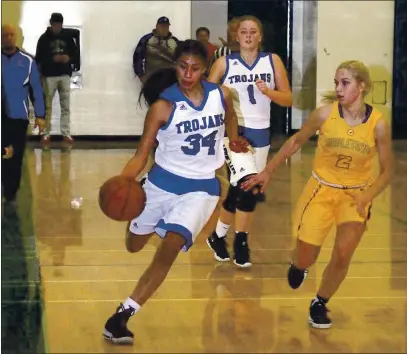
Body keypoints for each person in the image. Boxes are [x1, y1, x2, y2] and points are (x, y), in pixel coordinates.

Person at [102, 39, 248, 345]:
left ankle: (122, 316)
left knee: (169, 249)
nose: (188, 73)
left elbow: (230, 116)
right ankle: (148, 219)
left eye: (195, 68)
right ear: (175, 66)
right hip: (160, 184)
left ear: (205, 69)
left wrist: (233, 139)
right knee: (133, 246)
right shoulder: (163, 106)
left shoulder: (220, 95)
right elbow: (142, 155)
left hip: (202, 188)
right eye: (183, 66)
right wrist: (123, 182)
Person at [241, 60, 393, 328]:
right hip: (321, 191)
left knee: (343, 254)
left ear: (362, 86)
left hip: (355, 197)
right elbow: (295, 141)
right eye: (336, 82)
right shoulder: (325, 114)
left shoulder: (378, 124)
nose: (338, 88)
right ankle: (299, 265)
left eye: (344, 83)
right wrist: (267, 171)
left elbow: (388, 171)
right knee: (306, 255)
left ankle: (320, 302)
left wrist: (367, 196)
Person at [206, 15, 292, 267]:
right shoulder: (223, 63)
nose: (248, 35)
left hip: (261, 133)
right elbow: (207, 100)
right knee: (249, 186)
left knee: (239, 188)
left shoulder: (272, 60)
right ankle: (241, 241)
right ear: (236, 35)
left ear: (260, 36)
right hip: (235, 132)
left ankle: (217, 235)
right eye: (243, 31)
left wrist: (270, 92)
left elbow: (288, 99)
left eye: (253, 31)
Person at [2, 24, 45, 204]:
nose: (9, 38)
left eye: (11, 35)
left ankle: (11, 193)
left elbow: (36, 89)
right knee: (4, 153)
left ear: (16, 37)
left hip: (18, 117)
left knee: (15, 155)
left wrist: (40, 115)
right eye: (5, 35)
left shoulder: (28, 61)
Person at [35, 12, 77, 144]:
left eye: (59, 24)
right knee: (47, 106)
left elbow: (75, 54)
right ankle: (46, 133)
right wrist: (52, 60)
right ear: (51, 24)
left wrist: (68, 59)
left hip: (64, 75)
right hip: (49, 76)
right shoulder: (44, 39)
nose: (57, 27)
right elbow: (39, 58)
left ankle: (66, 133)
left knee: (65, 106)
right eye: (55, 24)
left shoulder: (68, 37)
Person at [133, 16, 180, 83]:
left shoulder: (175, 41)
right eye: (162, 26)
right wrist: (140, 75)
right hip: (151, 77)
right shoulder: (147, 39)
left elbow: (180, 59)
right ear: (157, 26)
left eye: (166, 26)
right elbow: (137, 57)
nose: (164, 28)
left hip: (170, 79)